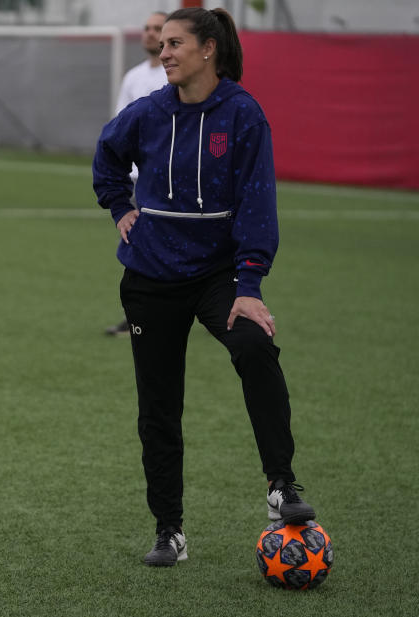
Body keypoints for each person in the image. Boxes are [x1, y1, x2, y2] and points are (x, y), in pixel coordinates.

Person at [91, 7, 318, 568]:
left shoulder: (243, 115)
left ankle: (282, 486)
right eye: (162, 44)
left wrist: (249, 284)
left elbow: (258, 204)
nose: (163, 52)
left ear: (208, 49)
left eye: (174, 44)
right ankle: (170, 531)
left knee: (255, 345)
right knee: (160, 405)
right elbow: (107, 157)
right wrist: (119, 205)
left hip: (218, 276)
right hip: (150, 279)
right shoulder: (146, 112)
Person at [105, 11, 168, 337]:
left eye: (157, 29)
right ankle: (140, 317)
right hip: (137, 179)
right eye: (146, 28)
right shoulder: (133, 77)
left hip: (167, 178)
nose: (149, 34)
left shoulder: (175, 77)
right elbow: (119, 127)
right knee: (138, 245)